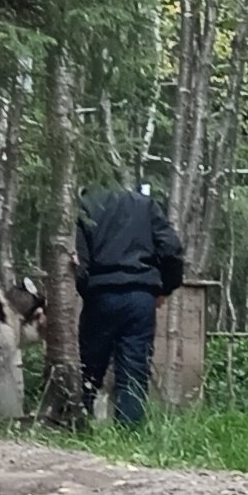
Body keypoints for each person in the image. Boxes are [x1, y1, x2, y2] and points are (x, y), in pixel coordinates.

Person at [74, 183, 187, 427]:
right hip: (139, 297)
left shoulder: (85, 207)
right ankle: (129, 434)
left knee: (89, 368)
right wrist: (164, 288)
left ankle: (79, 425)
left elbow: (79, 262)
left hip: (100, 295)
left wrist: (87, 290)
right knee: (134, 369)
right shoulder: (145, 205)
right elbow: (171, 249)